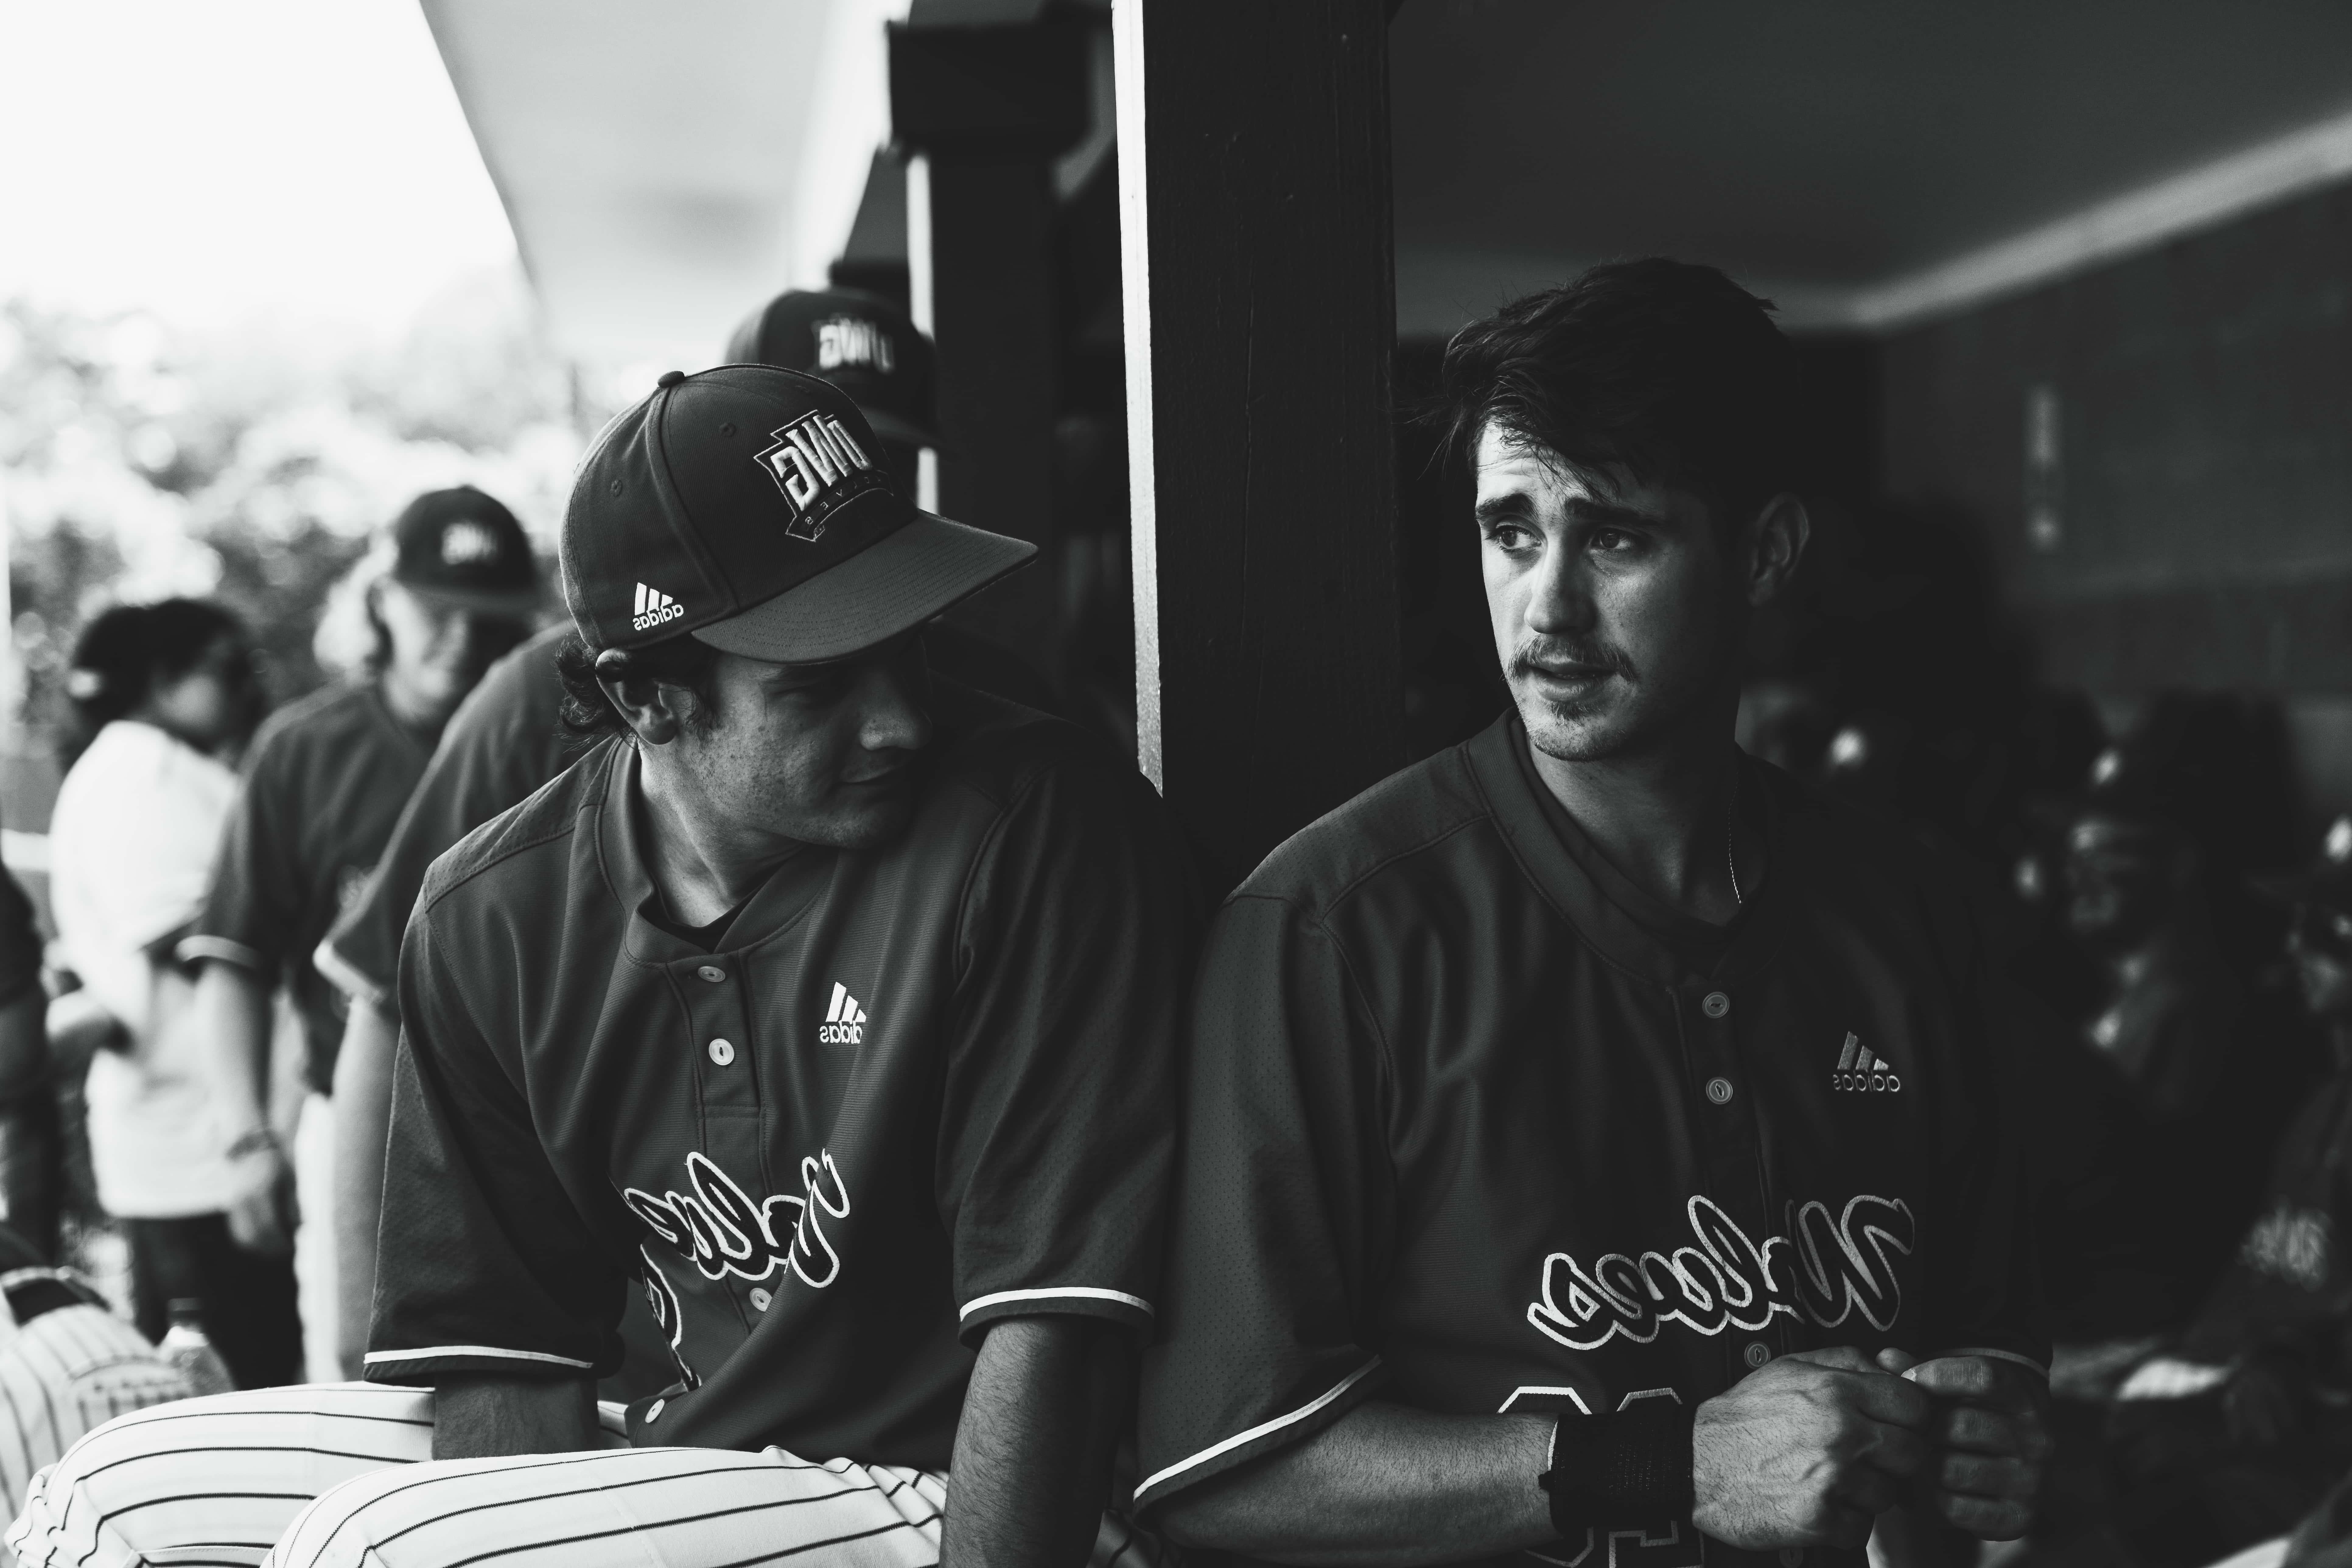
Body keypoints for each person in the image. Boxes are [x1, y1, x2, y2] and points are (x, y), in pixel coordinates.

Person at [12, 365, 1191, 1568]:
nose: (900, 719)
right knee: (105, 1504)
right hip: (675, 1446)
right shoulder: (491, 912)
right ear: (646, 698)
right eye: (821, 682)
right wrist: (514, 1532)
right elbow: (505, 1358)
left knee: (388, 1551)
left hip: (945, 1482)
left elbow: (1056, 1330)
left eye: (909, 645)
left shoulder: (1038, 822)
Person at [1133, 261, 2050, 1568]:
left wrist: (1988, 1437)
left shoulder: (1910, 916)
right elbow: (1217, 1470)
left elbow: (1991, 1337)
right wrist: (1661, 1467)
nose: (1548, 605)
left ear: (1767, 551)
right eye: (1513, 531)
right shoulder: (1331, 931)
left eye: (1616, 537)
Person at [313, 289, 1049, 1383]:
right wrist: (357, 1325)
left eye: (871, 458)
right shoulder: (545, 703)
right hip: (622, 1353)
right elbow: (394, 999)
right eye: (778, 477)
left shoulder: (989, 719)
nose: (823, 521)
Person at [177, 488, 538, 1333]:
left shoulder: (552, 741)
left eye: (488, 617)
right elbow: (234, 958)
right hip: (355, 1115)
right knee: (360, 1376)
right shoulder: (304, 749)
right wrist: (246, 1141)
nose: (461, 637)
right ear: (382, 600)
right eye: (437, 610)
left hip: (523, 1126)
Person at [2093, 817, 2352, 1568]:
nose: (2296, 948)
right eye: (2300, 924)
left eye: (2331, 929)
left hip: (2312, 1451)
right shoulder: (2320, 1097)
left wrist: (2290, 1359)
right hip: (2239, 1397)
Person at [44, 600, 292, 1383]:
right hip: (195, 1151)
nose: (250, 685)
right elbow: (178, 930)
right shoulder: (140, 774)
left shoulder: (170, 766)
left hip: (213, 1142)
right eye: (229, 667)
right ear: (164, 678)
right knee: (223, 1404)